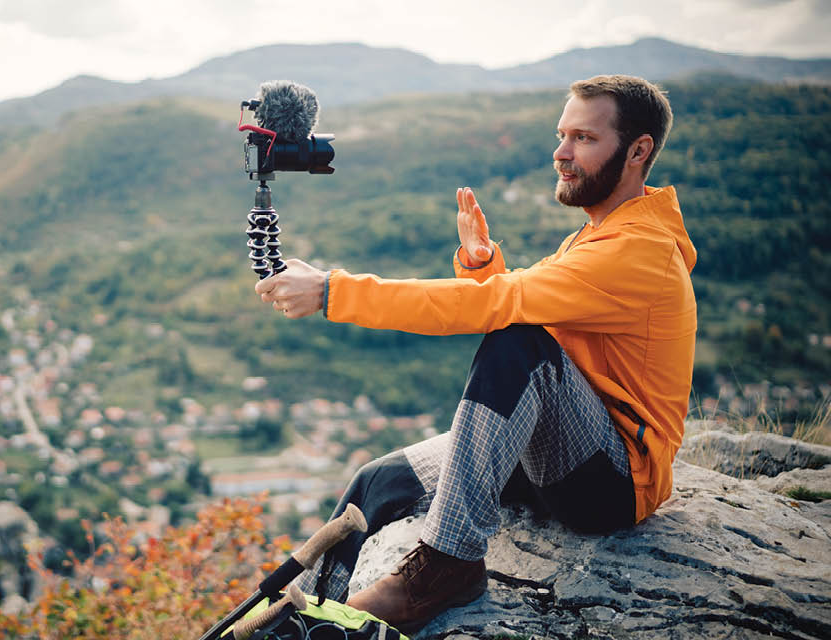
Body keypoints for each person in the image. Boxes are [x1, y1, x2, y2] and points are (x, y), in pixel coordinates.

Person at [254, 74, 695, 634]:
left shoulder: (640, 252)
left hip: (613, 483)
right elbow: (525, 306)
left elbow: (506, 316)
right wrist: (485, 263)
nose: (561, 153)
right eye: (562, 135)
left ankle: (448, 565)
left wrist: (332, 291)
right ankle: (316, 621)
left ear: (638, 151)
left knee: (518, 345)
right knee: (378, 483)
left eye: (583, 138)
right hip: (556, 450)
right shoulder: (602, 234)